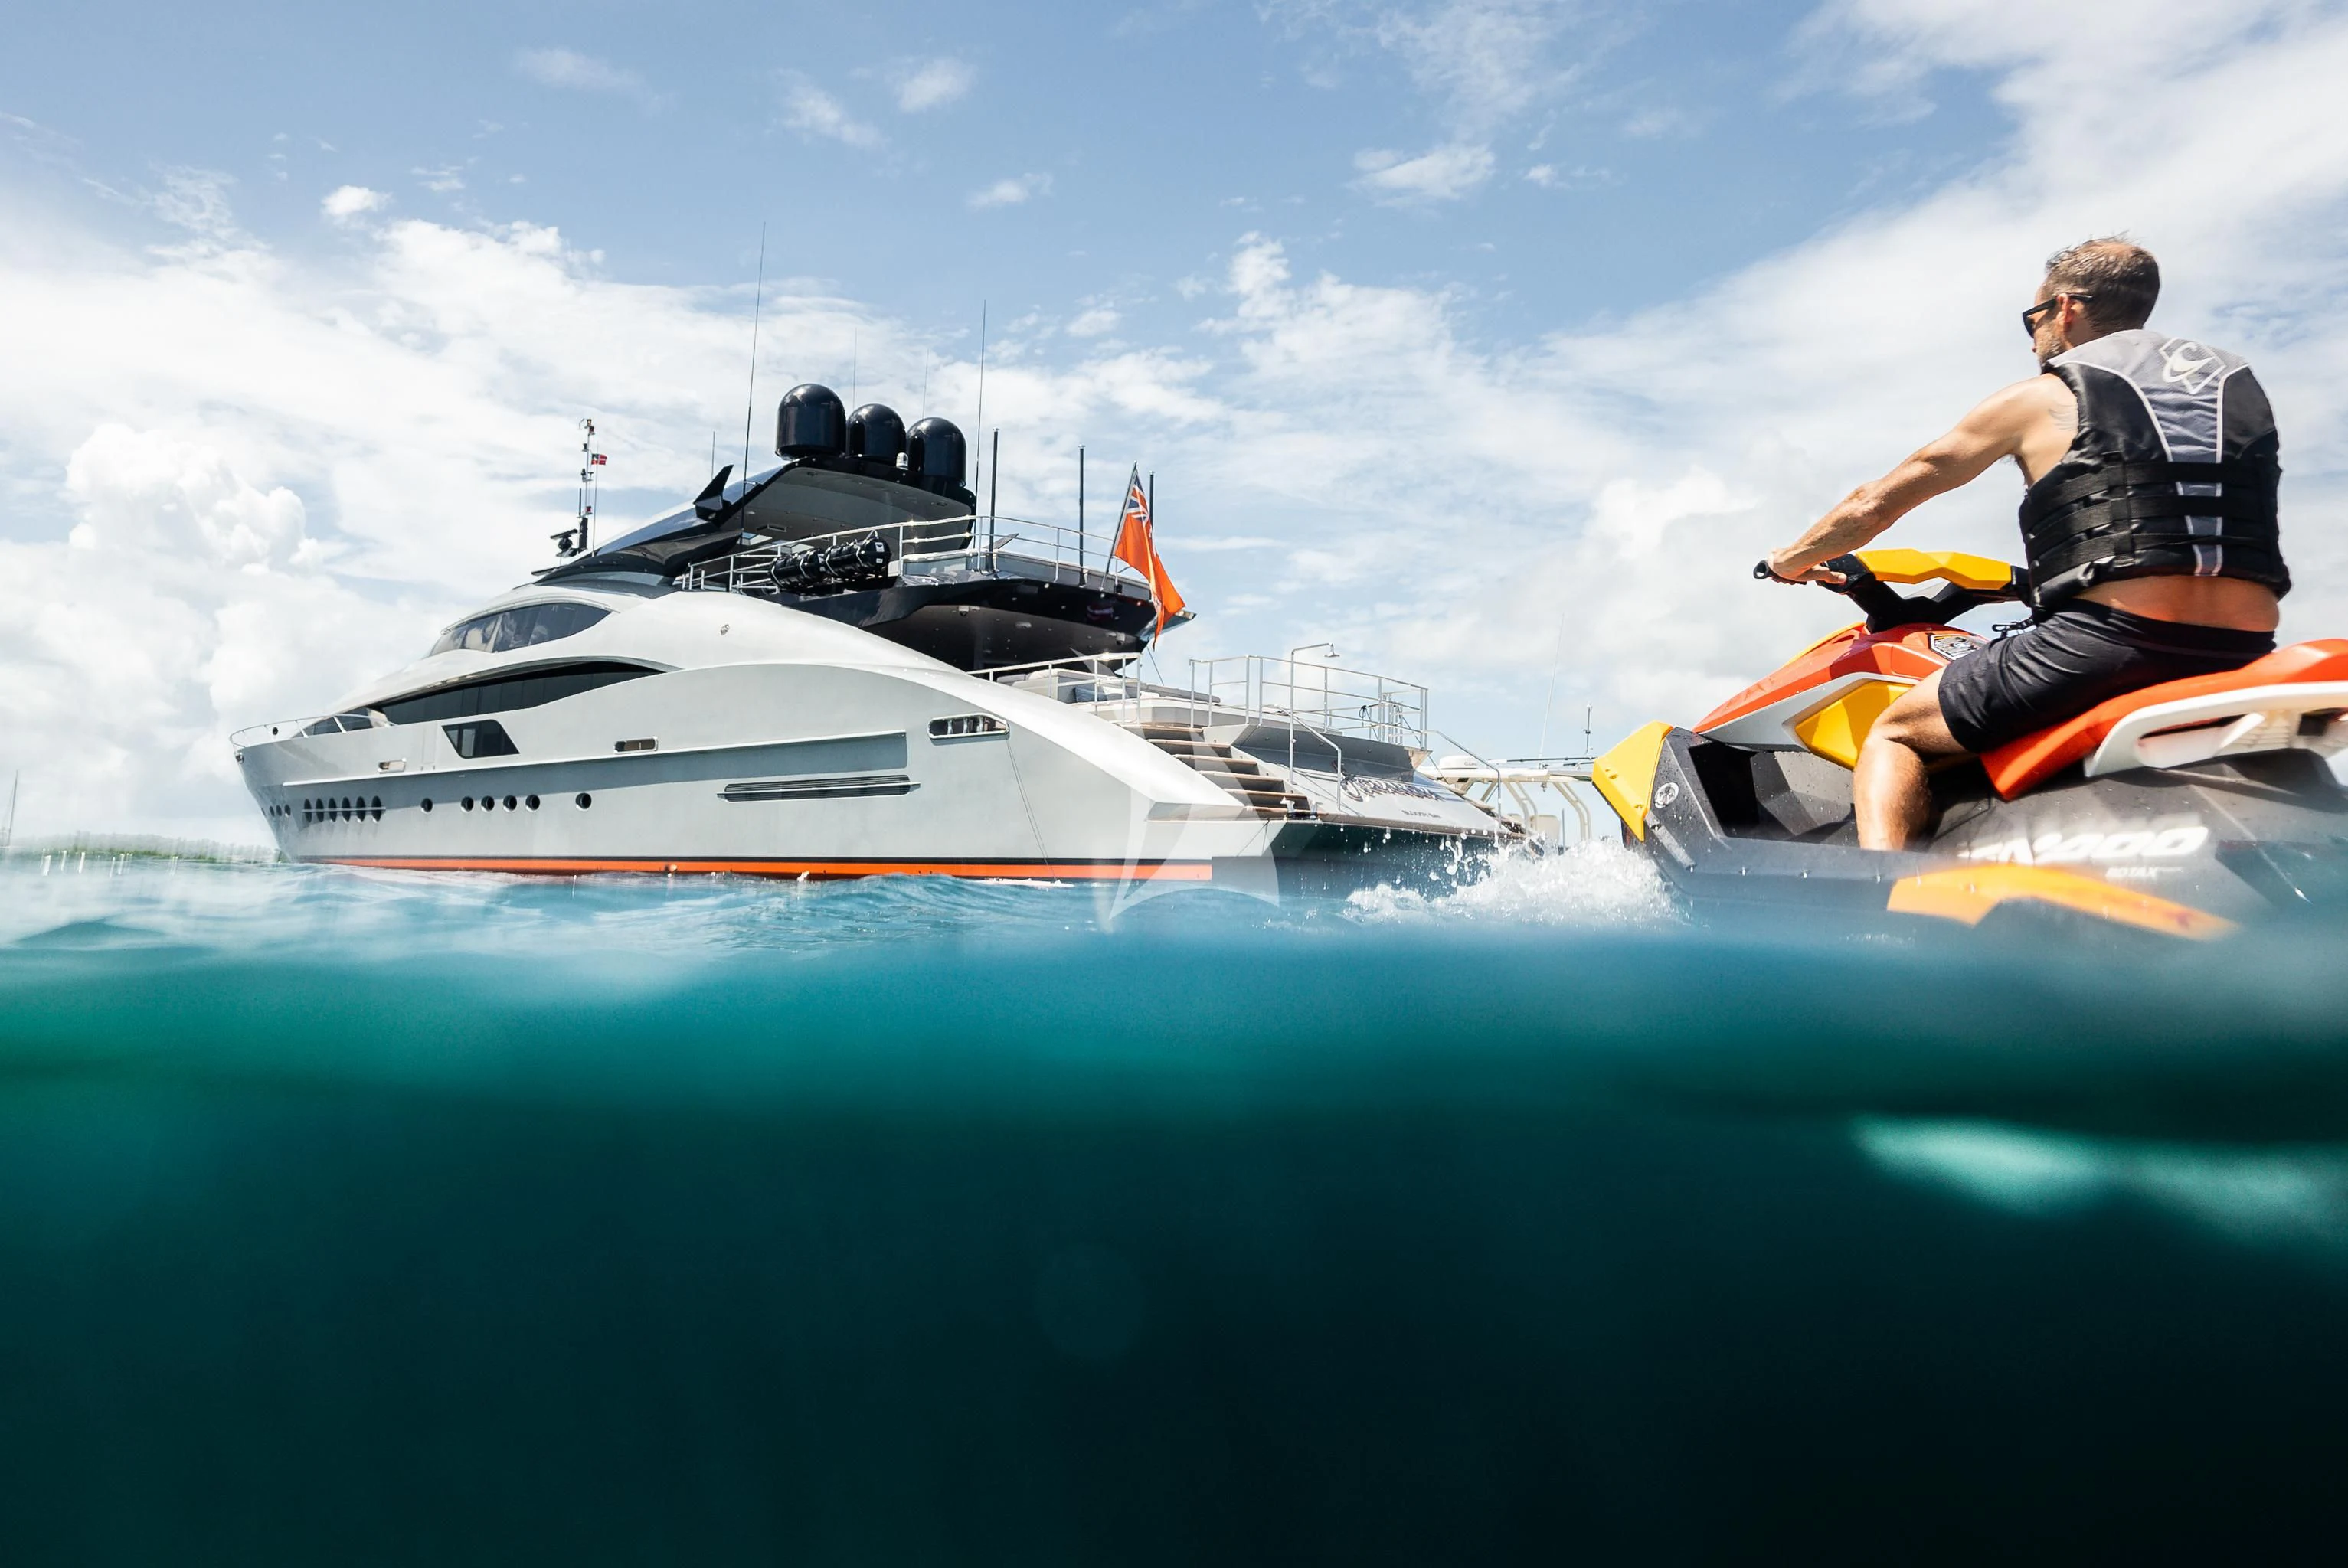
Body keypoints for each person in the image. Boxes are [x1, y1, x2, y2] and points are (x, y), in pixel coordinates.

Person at [1758, 238, 2287, 850]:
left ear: (2065, 309)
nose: (2032, 338)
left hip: (2112, 644)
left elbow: (1877, 503)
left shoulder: (2044, 398)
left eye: (2032, 320)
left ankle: (1886, 911)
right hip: (2247, 648)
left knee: (1894, 734)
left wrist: (1791, 560)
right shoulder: (2236, 394)